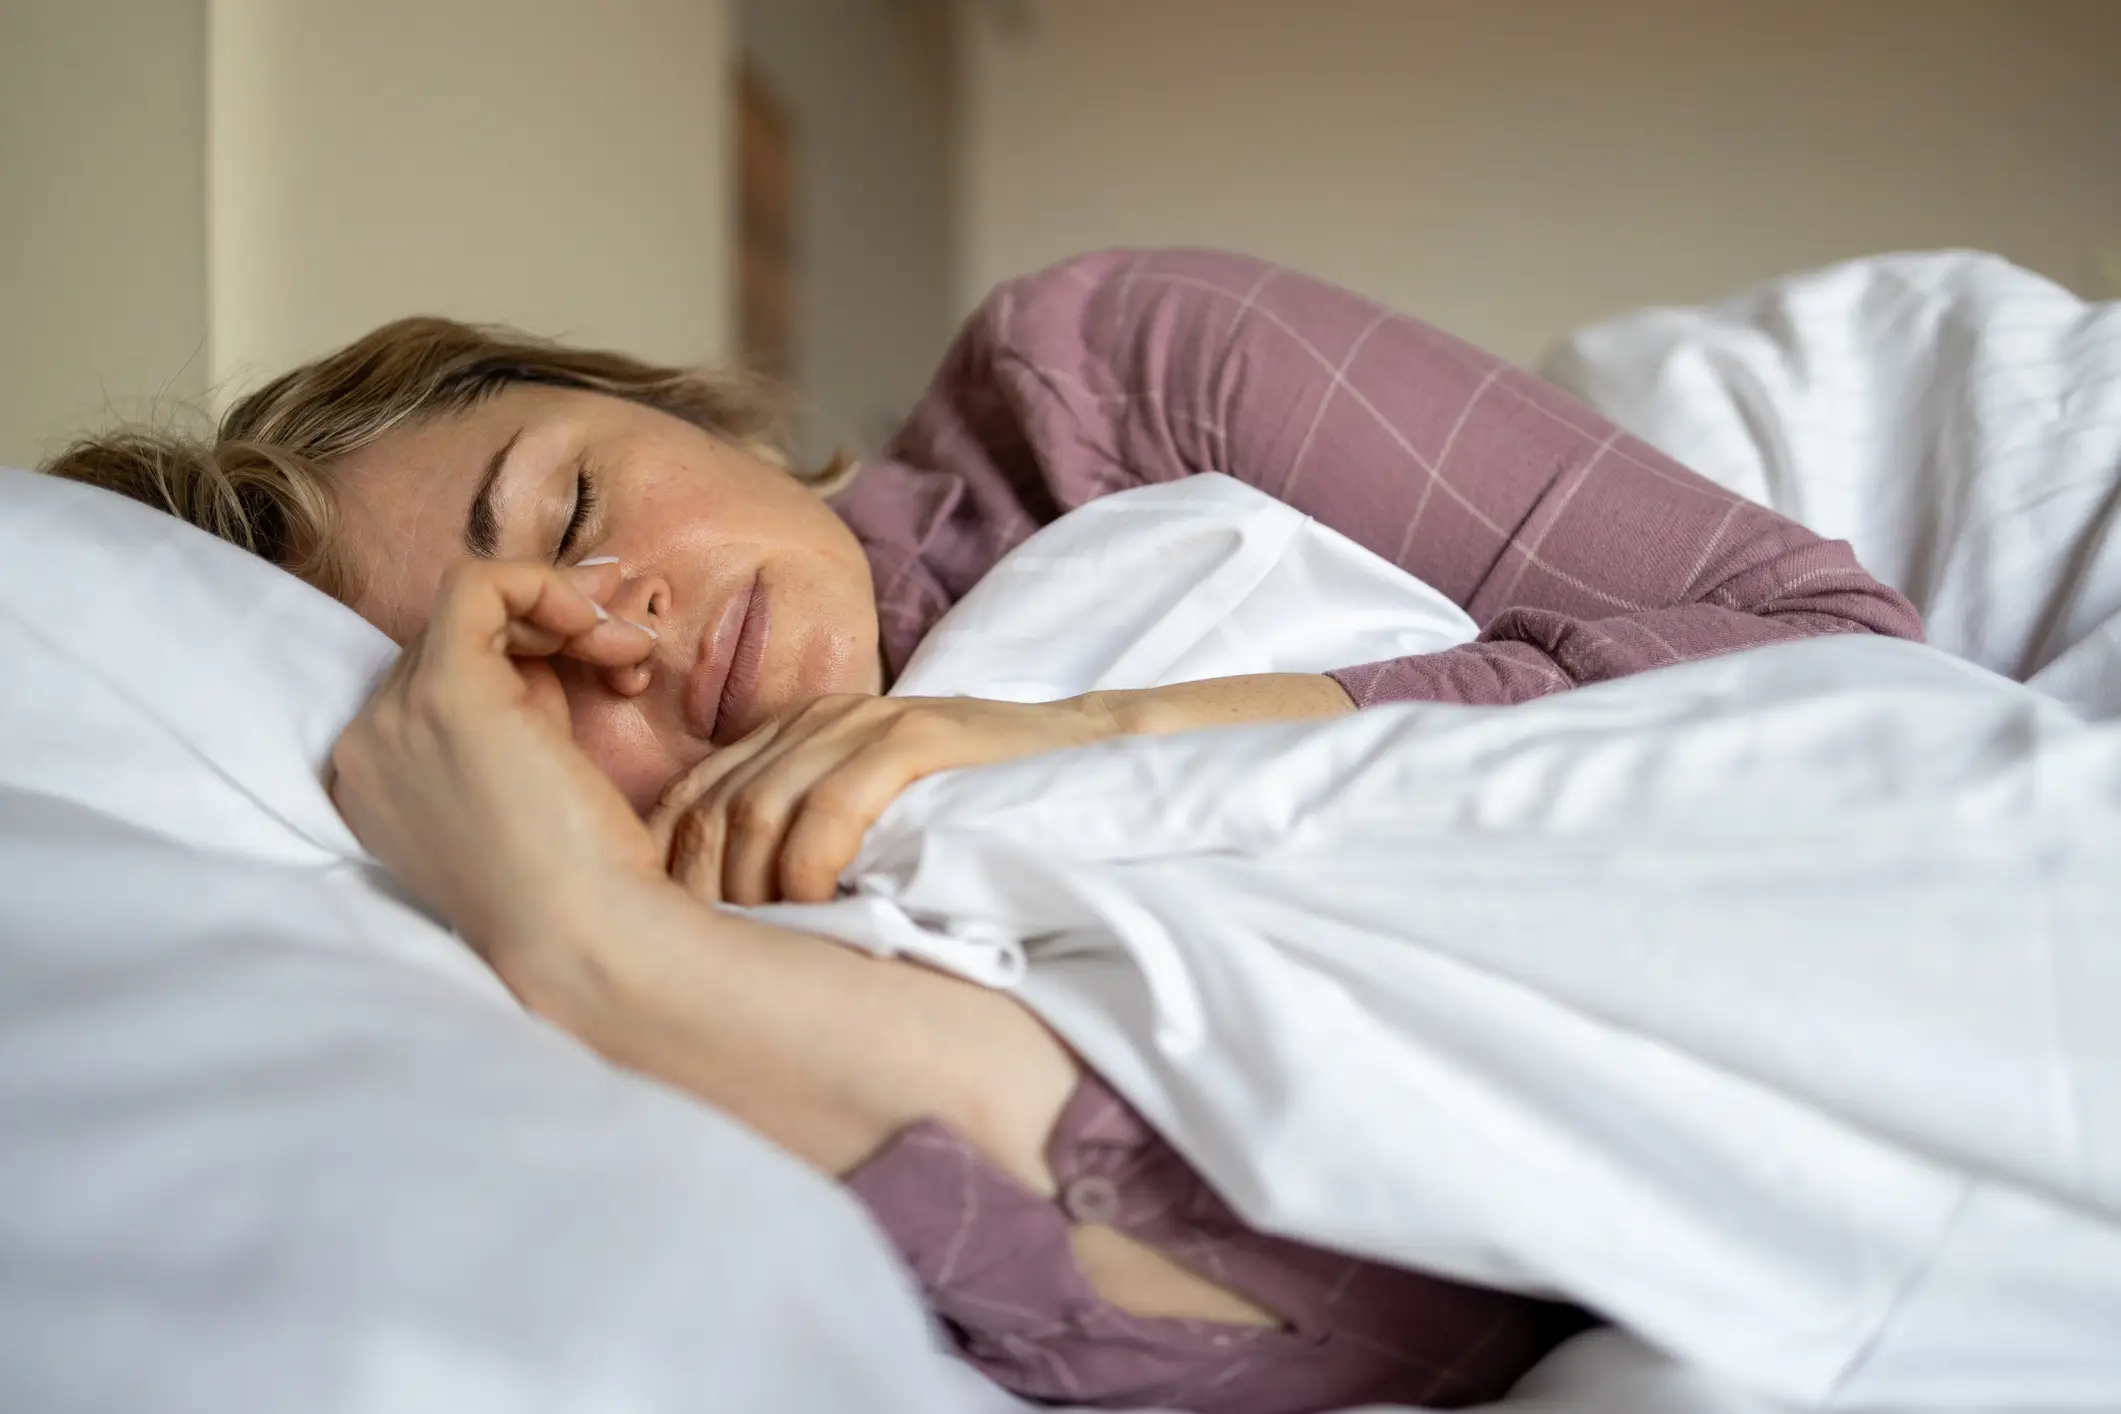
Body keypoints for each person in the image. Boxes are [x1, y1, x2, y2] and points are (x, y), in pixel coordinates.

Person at [44, 248, 1922, 1412]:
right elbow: (1419, 1333)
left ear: (676, 410)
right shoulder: (754, 965)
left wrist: (1088, 733)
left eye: (579, 505)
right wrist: (613, 950)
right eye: (533, 674)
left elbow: (1836, 668)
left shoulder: (1104, 382)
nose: (629, 626)